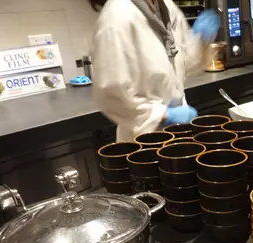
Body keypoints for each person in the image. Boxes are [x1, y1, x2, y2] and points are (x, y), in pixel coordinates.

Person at [89, 0, 220, 141]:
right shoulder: (116, 17)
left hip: (179, 132)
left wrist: (200, 40)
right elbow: (111, 96)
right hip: (144, 139)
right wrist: (163, 115)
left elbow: (179, 64)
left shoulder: (166, 7)